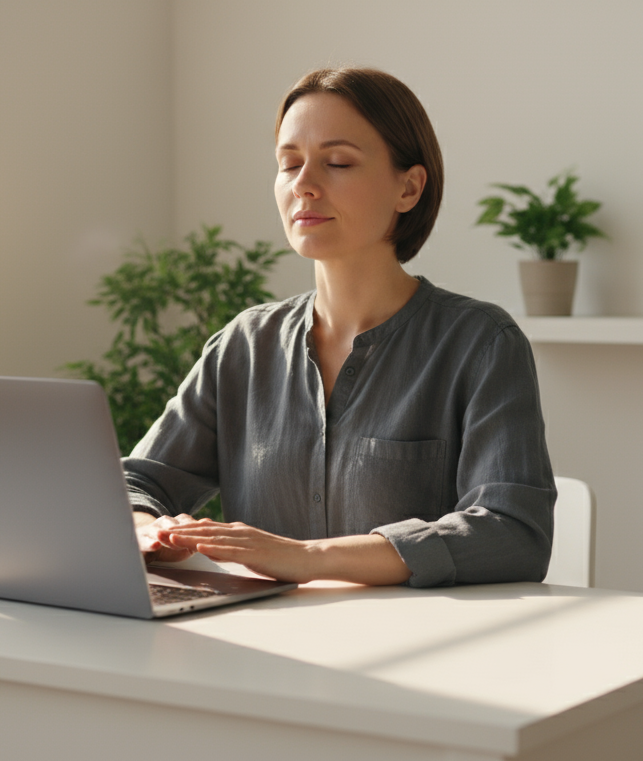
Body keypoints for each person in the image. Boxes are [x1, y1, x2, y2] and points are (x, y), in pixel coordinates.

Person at [124, 67, 555, 588]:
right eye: (289, 164)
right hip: (254, 650)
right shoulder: (244, 345)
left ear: (409, 187)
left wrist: (308, 557)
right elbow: (137, 482)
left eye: (338, 162)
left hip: (419, 657)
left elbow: (514, 532)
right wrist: (147, 531)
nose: (304, 185)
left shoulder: (481, 343)